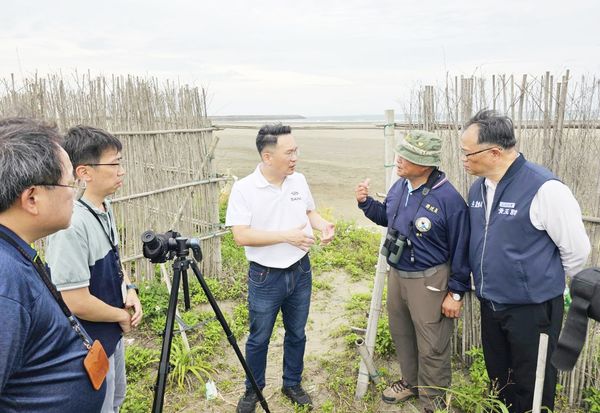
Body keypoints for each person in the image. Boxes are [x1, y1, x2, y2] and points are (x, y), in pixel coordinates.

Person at [461, 109, 591, 413]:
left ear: (494, 152)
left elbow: (576, 250)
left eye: (467, 153)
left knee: (533, 383)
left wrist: (544, 283)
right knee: (500, 376)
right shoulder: (479, 188)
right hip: (491, 303)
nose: (463, 159)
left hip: (533, 310)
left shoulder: (545, 188)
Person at [355, 130, 470, 413]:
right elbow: (389, 217)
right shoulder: (400, 186)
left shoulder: (448, 198)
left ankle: (433, 400)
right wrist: (366, 204)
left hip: (430, 279)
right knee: (402, 332)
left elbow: (461, 247)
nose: (400, 160)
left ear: (427, 164)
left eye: (409, 157)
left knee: (432, 343)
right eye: (401, 153)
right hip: (398, 275)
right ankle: (410, 382)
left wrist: (455, 292)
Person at [226, 123, 335, 412]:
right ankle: (253, 389)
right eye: (289, 152)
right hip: (265, 276)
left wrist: (323, 224)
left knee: (297, 332)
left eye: (296, 150)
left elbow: (309, 211)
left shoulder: (298, 180)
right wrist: (286, 236)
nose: (295, 157)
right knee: (259, 336)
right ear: (267, 156)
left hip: (300, 270)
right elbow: (241, 235)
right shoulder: (245, 188)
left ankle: (292, 383)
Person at [0, 118, 105, 412]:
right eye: (69, 184)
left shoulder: (15, 251)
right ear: (32, 198)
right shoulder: (4, 282)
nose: (75, 193)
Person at [45, 126, 143, 413]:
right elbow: (75, 300)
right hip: (87, 342)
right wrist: (120, 316)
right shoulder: (72, 225)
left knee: (115, 399)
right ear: (84, 172)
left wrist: (129, 289)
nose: (121, 171)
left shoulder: (103, 207)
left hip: (108, 335)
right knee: (100, 406)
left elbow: (114, 260)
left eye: (120, 162)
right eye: (114, 164)